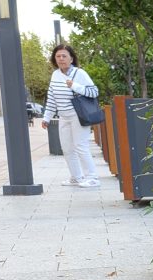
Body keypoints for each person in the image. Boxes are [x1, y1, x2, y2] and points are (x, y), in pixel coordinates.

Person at [41, 44, 100, 188]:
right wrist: (46, 117)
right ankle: (76, 177)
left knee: (81, 146)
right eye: (58, 56)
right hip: (63, 116)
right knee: (67, 148)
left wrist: (75, 86)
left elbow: (94, 92)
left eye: (64, 56)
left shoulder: (79, 73)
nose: (61, 59)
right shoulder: (55, 75)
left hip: (77, 115)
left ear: (71, 59)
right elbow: (52, 98)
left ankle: (92, 177)